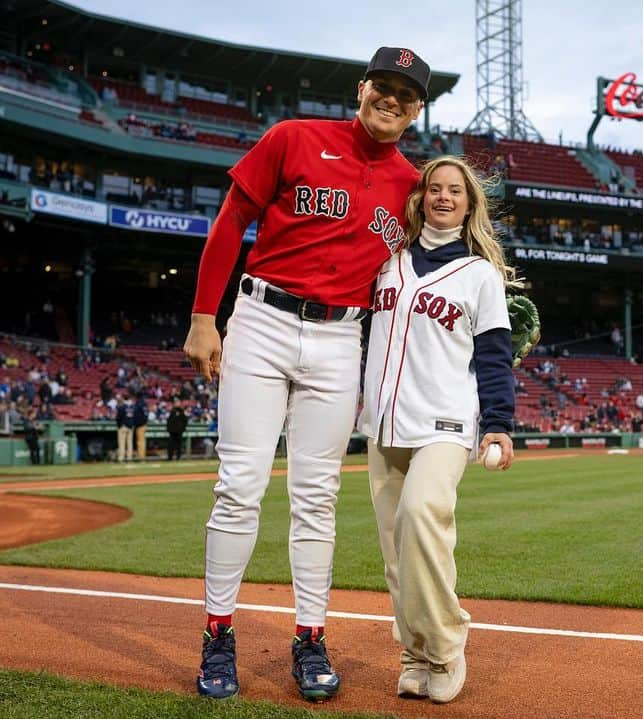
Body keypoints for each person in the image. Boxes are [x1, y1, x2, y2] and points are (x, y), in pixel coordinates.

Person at [183, 46, 431, 702]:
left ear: (418, 110)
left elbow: (417, 278)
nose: (391, 100)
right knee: (239, 485)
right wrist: (205, 316)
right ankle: (217, 633)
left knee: (317, 497)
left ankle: (311, 636)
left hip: (340, 336)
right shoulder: (294, 137)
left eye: (406, 95)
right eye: (384, 85)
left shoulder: (412, 186)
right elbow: (232, 220)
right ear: (362, 88)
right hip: (261, 319)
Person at [359, 156, 517, 704]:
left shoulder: (481, 275)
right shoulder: (387, 263)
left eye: (455, 190)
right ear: (421, 196)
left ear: (470, 204)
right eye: (434, 188)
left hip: (446, 421)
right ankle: (414, 654)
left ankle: (446, 648)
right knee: (397, 549)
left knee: (421, 517)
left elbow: (495, 358)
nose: (443, 197)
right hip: (383, 422)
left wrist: (498, 424)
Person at [115, 395, 133, 462]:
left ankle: (121, 458)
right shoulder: (132, 406)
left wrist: (119, 425)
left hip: (123, 426)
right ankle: (129, 458)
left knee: (121, 443)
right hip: (130, 426)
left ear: (123, 399)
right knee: (130, 443)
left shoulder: (122, 407)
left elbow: (118, 417)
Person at [132, 394, 149, 460]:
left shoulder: (138, 404)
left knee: (140, 442)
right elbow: (146, 414)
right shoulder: (144, 404)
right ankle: (142, 455)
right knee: (142, 441)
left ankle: (141, 456)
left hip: (139, 425)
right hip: (144, 424)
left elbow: (136, 415)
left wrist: (135, 424)